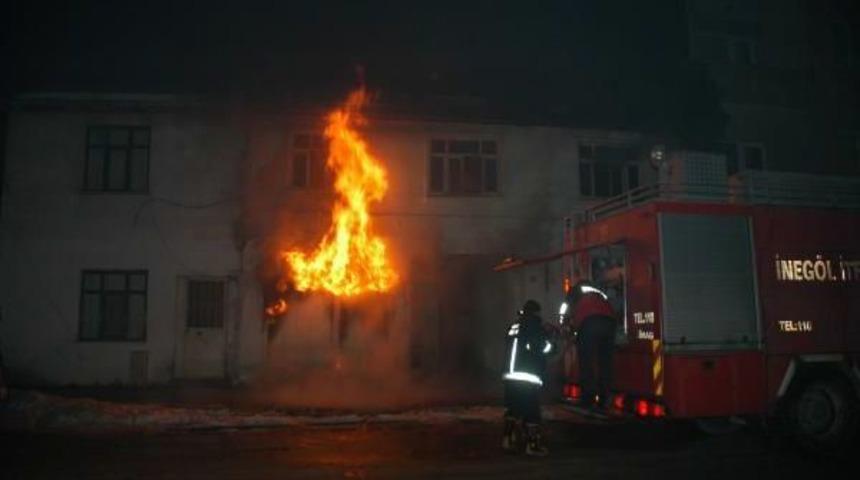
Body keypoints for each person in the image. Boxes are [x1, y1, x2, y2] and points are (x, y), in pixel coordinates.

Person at [502, 299, 554, 456]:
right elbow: (541, 347)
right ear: (536, 312)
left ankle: (508, 440)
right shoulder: (534, 326)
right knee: (532, 411)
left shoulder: (514, 326)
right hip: (527, 376)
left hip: (509, 376)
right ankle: (533, 446)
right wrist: (551, 343)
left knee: (514, 409)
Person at [568, 281, 617, 410]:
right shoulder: (599, 295)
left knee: (586, 363)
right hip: (609, 323)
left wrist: (573, 332)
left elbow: (573, 316)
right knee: (605, 363)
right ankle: (604, 398)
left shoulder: (575, 296)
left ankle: (587, 399)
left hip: (589, 323)